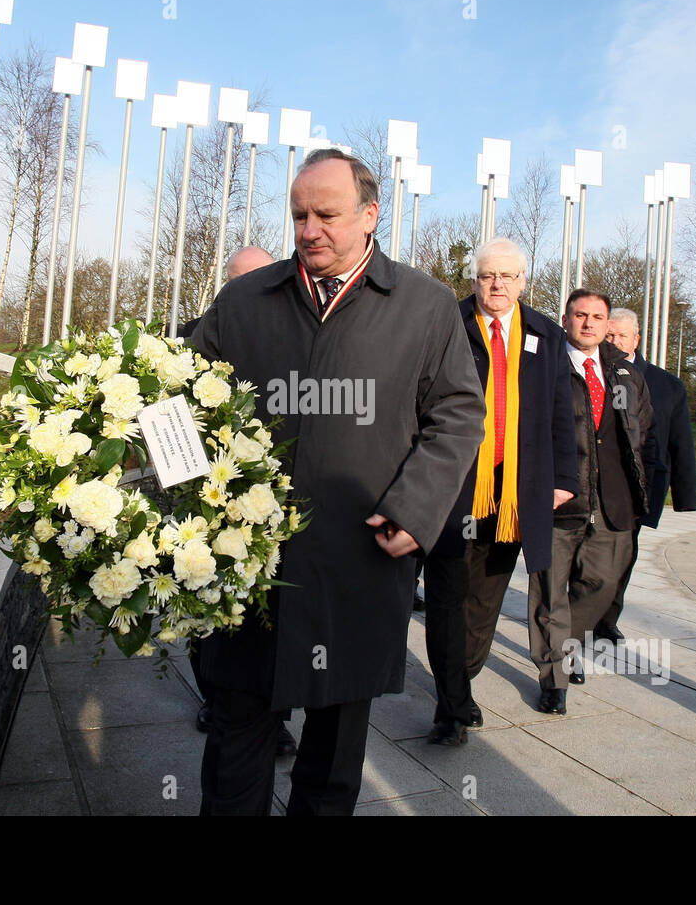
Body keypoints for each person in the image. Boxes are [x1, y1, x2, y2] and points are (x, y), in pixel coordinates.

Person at [189, 148, 485, 815]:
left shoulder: (426, 306)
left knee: (331, 761)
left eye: (326, 214)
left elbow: (459, 413)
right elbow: (182, 393)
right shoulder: (245, 299)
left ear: (370, 215)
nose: (308, 229)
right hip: (247, 562)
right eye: (299, 215)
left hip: (358, 556)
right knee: (235, 742)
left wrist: (416, 509)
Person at [422, 237, 577, 745]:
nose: (497, 285)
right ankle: (451, 707)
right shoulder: (448, 323)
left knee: (485, 600)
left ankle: (460, 680)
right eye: (489, 275)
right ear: (475, 280)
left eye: (508, 276)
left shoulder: (547, 336)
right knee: (448, 596)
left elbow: (560, 412)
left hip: (514, 494)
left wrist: (563, 481)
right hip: (454, 486)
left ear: (524, 282)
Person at [185, 244, 289, 752]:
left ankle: (275, 717)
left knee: (271, 611)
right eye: (235, 280)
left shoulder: (295, 334)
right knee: (206, 593)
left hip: (275, 497)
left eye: (256, 277)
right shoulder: (204, 330)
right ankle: (214, 696)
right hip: (210, 487)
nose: (244, 288)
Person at [532, 289, 652, 715]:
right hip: (557, 500)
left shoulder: (624, 373)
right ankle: (554, 678)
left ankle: (563, 643)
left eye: (597, 317)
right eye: (579, 315)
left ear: (607, 325)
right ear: (565, 320)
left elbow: (641, 431)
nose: (588, 324)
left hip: (613, 500)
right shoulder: (544, 366)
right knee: (549, 592)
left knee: (602, 583)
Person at [598, 308, 695, 642]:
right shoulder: (586, 371)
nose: (613, 341)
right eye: (608, 335)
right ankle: (575, 612)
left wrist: (686, 497)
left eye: (620, 336)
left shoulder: (667, 385)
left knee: (625, 552)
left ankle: (607, 618)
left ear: (636, 339)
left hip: (641, 484)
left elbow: (680, 441)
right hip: (594, 480)